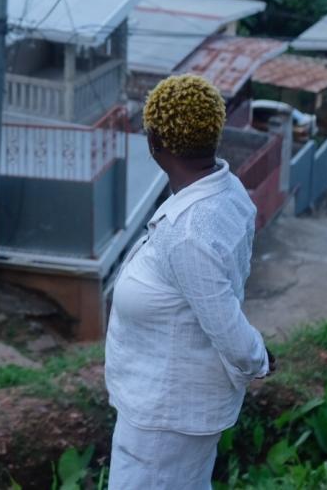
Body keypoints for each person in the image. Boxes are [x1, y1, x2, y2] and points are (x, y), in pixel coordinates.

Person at [104, 74, 273, 489]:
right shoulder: (227, 190)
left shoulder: (190, 232)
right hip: (169, 410)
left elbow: (226, 325)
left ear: (154, 143)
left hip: (165, 423)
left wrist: (258, 357)